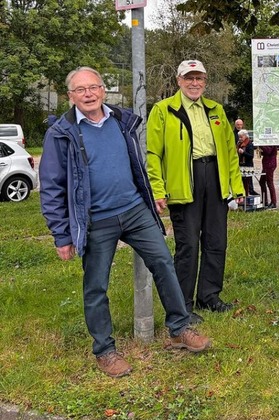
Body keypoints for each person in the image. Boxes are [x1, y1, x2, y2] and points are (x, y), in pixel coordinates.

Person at [39, 66, 211, 378]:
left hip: (135, 210)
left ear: (103, 90)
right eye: (81, 90)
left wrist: (151, 195)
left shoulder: (121, 121)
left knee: (163, 262)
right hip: (97, 220)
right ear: (70, 96)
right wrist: (61, 234)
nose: (89, 94)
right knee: (96, 286)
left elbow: (137, 165)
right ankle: (105, 351)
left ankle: (179, 327)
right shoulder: (60, 134)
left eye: (94, 87)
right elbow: (52, 186)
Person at [147, 60, 245, 319]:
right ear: (178, 80)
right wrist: (158, 188)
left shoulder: (215, 110)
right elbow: (153, 154)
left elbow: (229, 153)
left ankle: (209, 296)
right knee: (188, 246)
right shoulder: (163, 110)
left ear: (205, 81)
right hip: (183, 183)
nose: (194, 83)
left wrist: (236, 186)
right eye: (188, 78)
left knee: (216, 242)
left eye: (198, 78)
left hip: (214, 178)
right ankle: (183, 306)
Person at [237, 129, 258, 196]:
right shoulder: (239, 143)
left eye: (241, 137)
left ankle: (250, 196)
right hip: (240, 164)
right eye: (239, 137)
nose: (240, 138)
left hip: (248, 165)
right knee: (242, 182)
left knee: (248, 183)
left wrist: (243, 153)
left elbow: (251, 156)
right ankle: (243, 196)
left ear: (245, 136)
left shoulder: (249, 144)